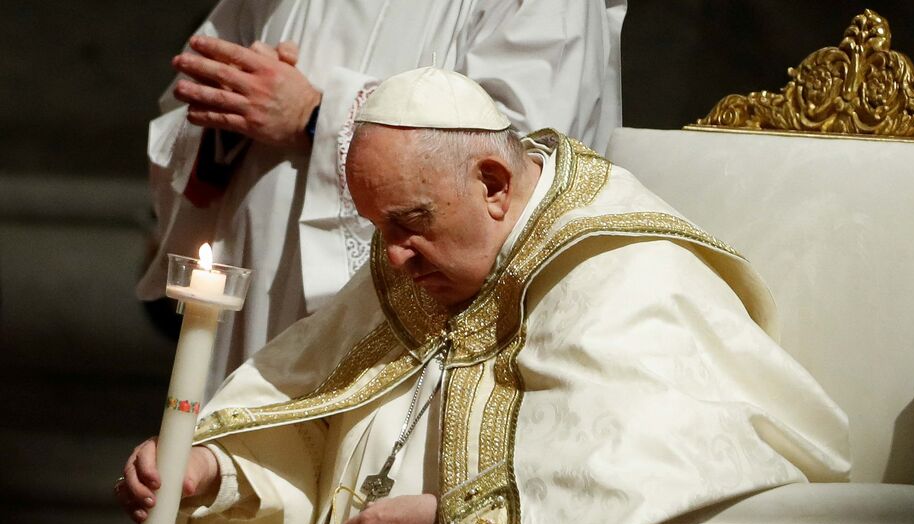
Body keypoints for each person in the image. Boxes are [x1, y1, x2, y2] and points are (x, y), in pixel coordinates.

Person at [118, 68, 850, 524]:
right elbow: (312, 419)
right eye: (379, 229)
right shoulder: (422, 255)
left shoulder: (623, 279)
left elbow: (674, 474)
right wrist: (217, 471)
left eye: (410, 223)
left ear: (495, 182)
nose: (393, 257)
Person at [136, 0, 628, 394]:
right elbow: (197, 89)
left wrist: (315, 114)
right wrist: (231, 99)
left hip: (408, 295)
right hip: (257, 263)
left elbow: (518, 152)